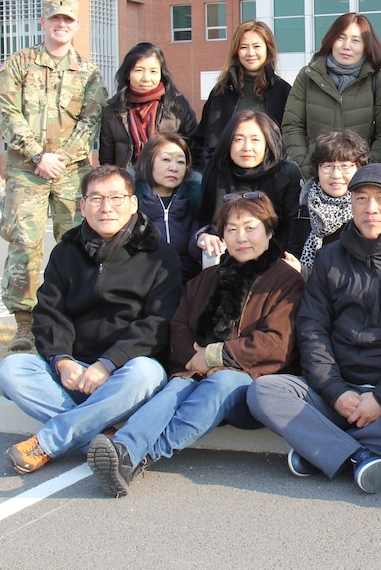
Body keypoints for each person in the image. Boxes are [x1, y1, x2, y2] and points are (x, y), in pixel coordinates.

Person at [247, 164, 381, 494]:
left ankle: (321, 449)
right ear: (350, 204)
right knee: (264, 392)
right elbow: (312, 329)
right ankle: (359, 455)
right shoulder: (330, 258)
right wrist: (335, 391)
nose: (370, 208)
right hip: (338, 391)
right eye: (360, 199)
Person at [87, 192, 304, 497]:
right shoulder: (207, 279)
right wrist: (195, 360)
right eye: (231, 229)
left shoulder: (287, 281)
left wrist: (214, 357)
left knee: (225, 379)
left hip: (252, 390)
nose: (241, 237)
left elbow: (277, 345)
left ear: (269, 231)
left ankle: (147, 454)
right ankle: (124, 451)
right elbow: (178, 326)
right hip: (198, 377)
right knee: (177, 386)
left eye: (250, 228)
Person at [0, 165, 182, 474]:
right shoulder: (66, 252)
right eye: (95, 198)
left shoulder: (160, 255)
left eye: (115, 197)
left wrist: (108, 364)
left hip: (124, 373)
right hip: (74, 372)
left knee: (146, 374)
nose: (106, 207)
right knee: (12, 370)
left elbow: (158, 323)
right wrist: (61, 360)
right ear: (82, 206)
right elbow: (48, 313)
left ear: (133, 203)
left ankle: (49, 441)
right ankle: (102, 436)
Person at [0, 0, 107, 352]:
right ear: (43, 22)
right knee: (25, 245)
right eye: (55, 19)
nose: (62, 25)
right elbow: (7, 110)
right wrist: (38, 155)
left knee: (75, 245)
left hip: (70, 172)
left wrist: (60, 158)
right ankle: (24, 325)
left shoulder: (87, 72)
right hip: (27, 171)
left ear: (76, 26)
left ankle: (71, 319)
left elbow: (92, 120)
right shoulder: (19, 64)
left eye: (68, 20)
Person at [282, 13, 381, 175]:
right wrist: (303, 164)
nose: (346, 46)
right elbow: (292, 126)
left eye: (356, 40)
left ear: (366, 46)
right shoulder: (308, 76)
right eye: (340, 38)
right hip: (315, 175)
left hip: (359, 178)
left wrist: (365, 168)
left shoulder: (378, 81)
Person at [195, 110, 304, 260]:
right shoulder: (216, 169)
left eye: (255, 140)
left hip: (276, 258)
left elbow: (292, 231)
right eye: (238, 139)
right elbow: (205, 221)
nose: (247, 147)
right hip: (227, 257)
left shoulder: (286, 172)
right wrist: (202, 236)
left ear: (268, 142)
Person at [190, 21, 292, 170]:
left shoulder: (283, 91)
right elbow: (202, 139)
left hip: (271, 176)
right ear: (236, 51)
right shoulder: (221, 91)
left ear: (267, 49)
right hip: (224, 178)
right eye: (244, 47)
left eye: (257, 46)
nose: (250, 53)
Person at [99, 42, 198, 169]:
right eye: (139, 70)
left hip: (171, 184)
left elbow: (195, 152)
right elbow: (107, 162)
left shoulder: (177, 106)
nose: (146, 78)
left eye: (153, 71)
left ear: (161, 74)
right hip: (127, 184)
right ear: (128, 74)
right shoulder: (112, 111)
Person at [134, 132, 203, 282]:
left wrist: (202, 238)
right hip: (141, 281)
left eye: (180, 162)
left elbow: (196, 244)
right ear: (148, 162)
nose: (174, 168)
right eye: (166, 160)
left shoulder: (194, 202)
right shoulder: (130, 203)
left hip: (186, 281)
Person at [299, 130, 370, 275]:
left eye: (345, 166)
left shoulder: (368, 211)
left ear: (359, 168)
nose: (336, 175)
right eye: (328, 166)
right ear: (317, 169)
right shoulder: (303, 207)